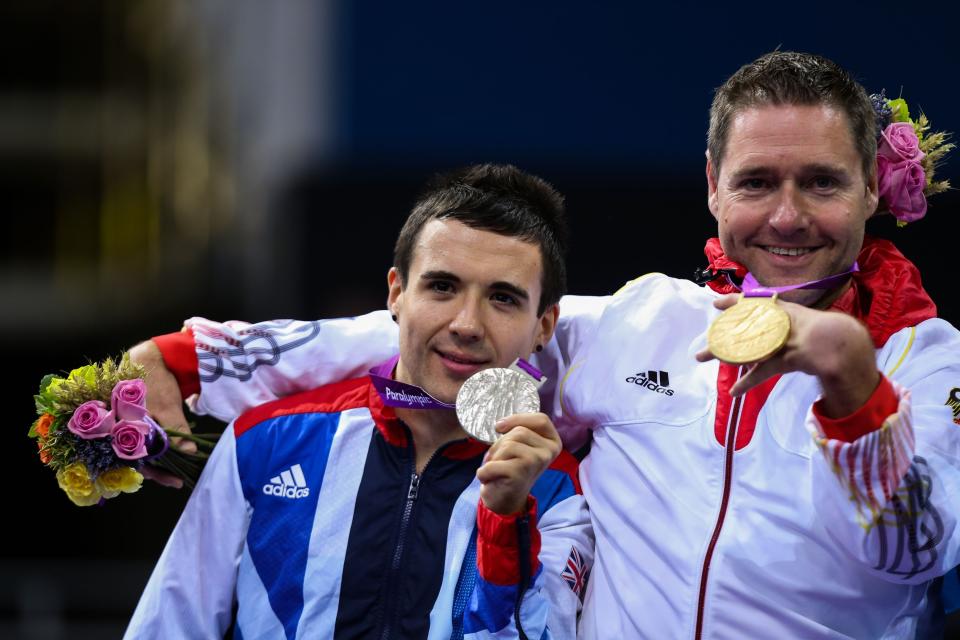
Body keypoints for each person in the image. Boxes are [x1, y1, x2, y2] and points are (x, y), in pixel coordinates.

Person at [136, 52, 959, 637]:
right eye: (755, 182)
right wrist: (195, 361)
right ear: (712, 188)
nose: (786, 216)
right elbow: (435, 339)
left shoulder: (927, 361)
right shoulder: (646, 320)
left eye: (821, 182)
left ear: (870, 191)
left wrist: (853, 385)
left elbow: (913, 556)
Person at [125, 164, 592, 639]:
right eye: (443, 287)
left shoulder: (557, 491)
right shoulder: (266, 441)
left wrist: (506, 521)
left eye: (503, 298)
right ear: (396, 293)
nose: (467, 324)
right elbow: (169, 626)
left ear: (544, 327)